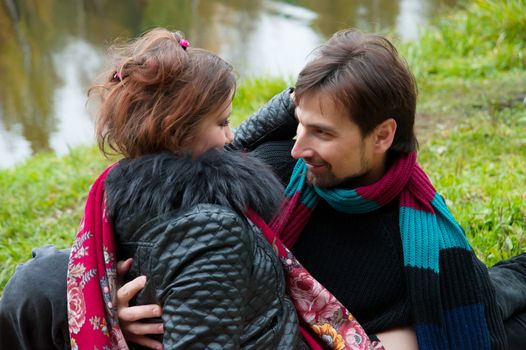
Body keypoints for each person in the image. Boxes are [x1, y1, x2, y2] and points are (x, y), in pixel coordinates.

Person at [119, 29, 526, 349]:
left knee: (499, 292)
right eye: (299, 123)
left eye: (322, 133)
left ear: (382, 135)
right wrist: (118, 307)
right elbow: (164, 231)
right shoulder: (272, 170)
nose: (298, 146)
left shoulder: (428, 245)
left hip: (407, 312)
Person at [0, 27, 304, 349]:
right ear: (178, 132)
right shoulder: (211, 231)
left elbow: (235, 147)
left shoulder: (120, 188)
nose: (229, 137)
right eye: (222, 122)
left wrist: (292, 103)